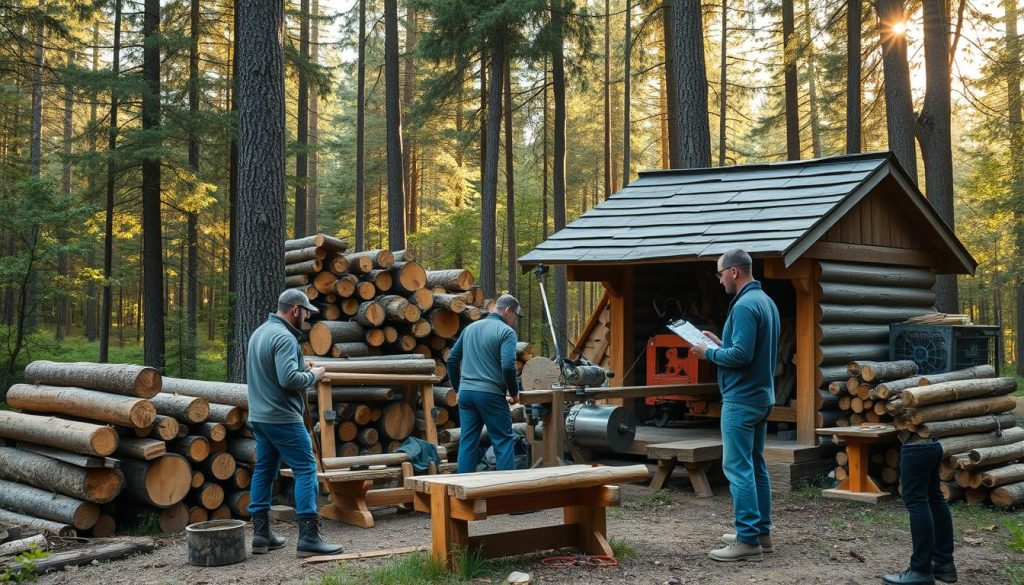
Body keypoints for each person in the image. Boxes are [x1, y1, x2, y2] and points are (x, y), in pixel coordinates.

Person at [692, 249, 780, 562]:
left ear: (734, 272)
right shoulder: (765, 302)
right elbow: (747, 350)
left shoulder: (744, 305)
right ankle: (761, 533)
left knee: (738, 469)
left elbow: (741, 356)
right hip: (761, 397)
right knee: (756, 467)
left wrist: (709, 354)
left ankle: (747, 540)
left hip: (741, 400)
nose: (718, 281)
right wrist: (719, 344)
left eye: (719, 274)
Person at [246, 289, 343, 558]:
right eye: (306, 312)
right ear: (295, 310)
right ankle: (309, 538)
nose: (308, 317)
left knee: (264, 471)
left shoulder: (259, 333)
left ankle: (261, 534)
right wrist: (313, 375)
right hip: (282, 417)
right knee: (305, 469)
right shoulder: (284, 337)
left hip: (259, 416)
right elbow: (288, 379)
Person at [447, 294, 521, 473]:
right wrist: (514, 392)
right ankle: (506, 495)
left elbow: (451, 360)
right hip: (490, 395)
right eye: (516, 316)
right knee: (503, 441)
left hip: (466, 395)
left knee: (468, 442)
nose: (516, 321)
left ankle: (463, 493)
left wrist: (458, 389)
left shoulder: (470, 328)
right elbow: (508, 366)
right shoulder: (506, 332)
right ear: (508, 311)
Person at [881, 436, 956, 584]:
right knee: (934, 497)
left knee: (916, 501)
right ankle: (943, 563)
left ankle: (920, 570)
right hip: (933, 444)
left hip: (915, 446)